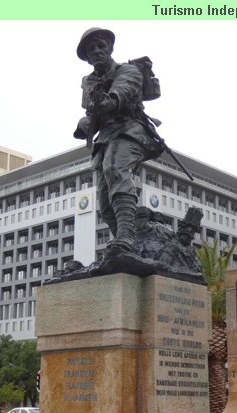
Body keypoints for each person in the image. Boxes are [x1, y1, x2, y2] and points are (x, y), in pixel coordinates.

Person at [74, 28, 164, 253]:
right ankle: (128, 247)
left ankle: (126, 236)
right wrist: (83, 124)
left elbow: (120, 94)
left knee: (115, 166)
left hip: (131, 130)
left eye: (100, 46)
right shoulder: (88, 82)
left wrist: (107, 102)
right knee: (105, 206)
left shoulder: (129, 71)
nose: (96, 51)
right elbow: (90, 112)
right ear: (86, 57)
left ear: (110, 48)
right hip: (105, 138)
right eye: (90, 49)